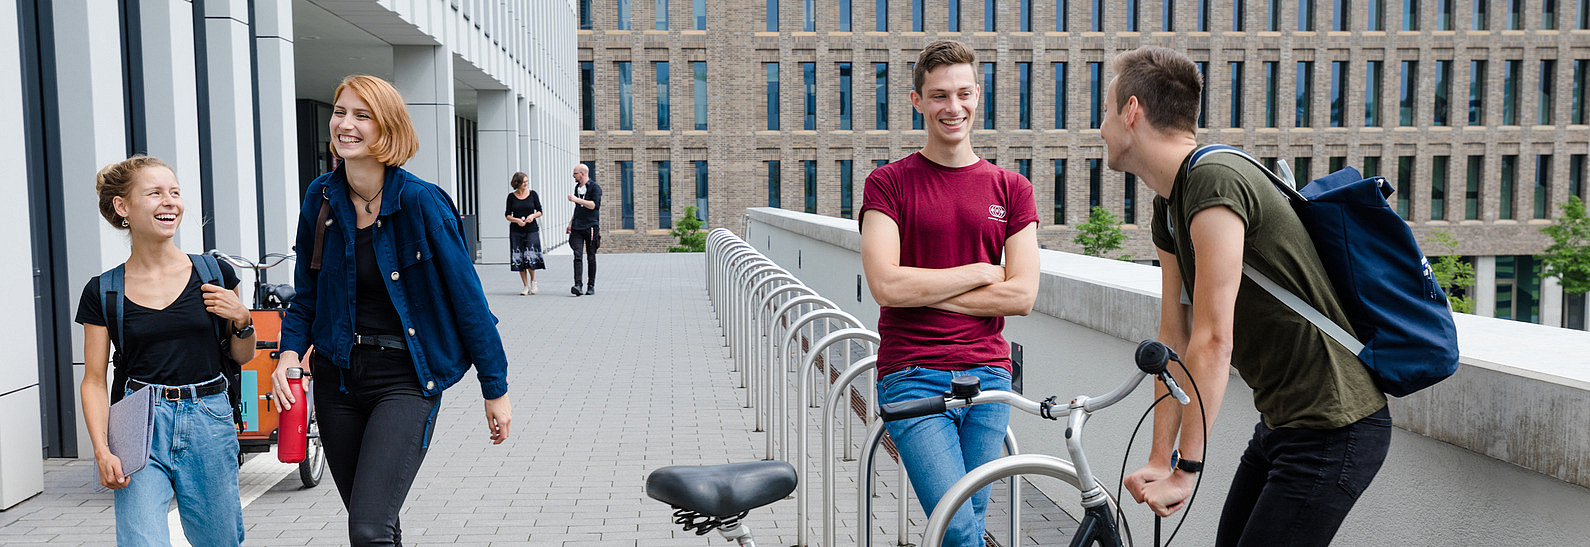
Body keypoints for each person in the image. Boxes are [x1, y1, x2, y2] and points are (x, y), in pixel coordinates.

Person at [1104, 47, 1391, 546]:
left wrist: (1187, 468)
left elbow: (1215, 339)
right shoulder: (1169, 206)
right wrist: (1159, 457)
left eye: (1105, 111)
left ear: (1132, 112)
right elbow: (1176, 335)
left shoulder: (1216, 182)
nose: (1101, 127)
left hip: (1333, 425)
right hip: (1282, 423)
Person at [274, 74, 514, 546]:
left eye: (361, 115)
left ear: (387, 129)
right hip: (337, 377)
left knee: (367, 528)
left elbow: (470, 301)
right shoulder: (320, 198)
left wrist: (496, 388)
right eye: (340, 111)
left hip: (405, 378)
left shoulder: (422, 202)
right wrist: (288, 353)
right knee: (378, 526)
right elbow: (307, 292)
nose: (345, 123)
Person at [858, 40, 1040, 547]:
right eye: (939, 96)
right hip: (913, 375)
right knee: (958, 525)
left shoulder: (1012, 188)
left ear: (978, 96)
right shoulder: (888, 183)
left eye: (963, 94)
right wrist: (983, 270)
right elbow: (885, 285)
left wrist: (921, 289)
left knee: (968, 527)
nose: (952, 107)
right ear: (917, 100)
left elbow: (1022, 295)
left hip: (989, 375)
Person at [76, 155, 252, 546]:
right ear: (123, 207)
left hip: (208, 416)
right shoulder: (104, 291)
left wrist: (243, 319)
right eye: (154, 193)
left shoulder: (214, 274)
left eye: (174, 192)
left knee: (219, 540)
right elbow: (92, 380)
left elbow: (242, 356)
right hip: (138, 421)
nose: (169, 201)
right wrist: (102, 450)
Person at [505, 171, 545, 295]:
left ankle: (533, 282)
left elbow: (540, 211)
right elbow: (507, 215)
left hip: (531, 229)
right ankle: (525, 286)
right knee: (519, 258)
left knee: (529, 256)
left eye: (527, 181)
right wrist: (517, 220)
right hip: (516, 230)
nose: (526, 184)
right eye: (524, 182)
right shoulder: (511, 197)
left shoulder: (533, 194)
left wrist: (532, 216)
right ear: (517, 183)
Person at [566, 163, 601, 296]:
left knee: (591, 256)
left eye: (575, 173)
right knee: (577, 255)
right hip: (577, 227)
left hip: (591, 226)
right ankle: (578, 285)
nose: (573, 175)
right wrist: (570, 223)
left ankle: (591, 285)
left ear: (583, 174)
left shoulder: (594, 188)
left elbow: (594, 205)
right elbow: (577, 208)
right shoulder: (577, 188)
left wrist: (577, 200)